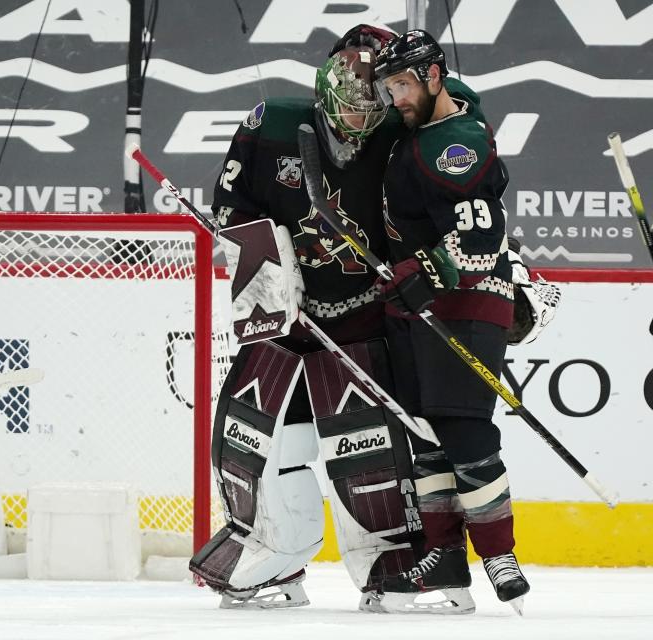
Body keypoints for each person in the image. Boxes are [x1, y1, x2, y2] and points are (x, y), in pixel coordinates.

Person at [189, 25, 430, 611]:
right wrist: (268, 267)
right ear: (325, 91)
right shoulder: (270, 125)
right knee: (254, 442)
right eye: (348, 108)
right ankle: (273, 556)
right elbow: (230, 206)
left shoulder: (402, 131)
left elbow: (454, 177)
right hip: (280, 317)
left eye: (372, 107)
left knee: (368, 453)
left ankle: (387, 561)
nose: (359, 121)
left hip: (364, 319)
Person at [371, 30, 530, 614]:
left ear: (435, 77)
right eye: (390, 87)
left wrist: (421, 270)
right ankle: (446, 559)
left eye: (405, 84)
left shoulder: (453, 143)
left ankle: (499, 557)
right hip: (419, 305)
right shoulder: (428, 122)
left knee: (463, 432)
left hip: (463, 302)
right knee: (427, 437)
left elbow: (482, 242)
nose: (397, 98)